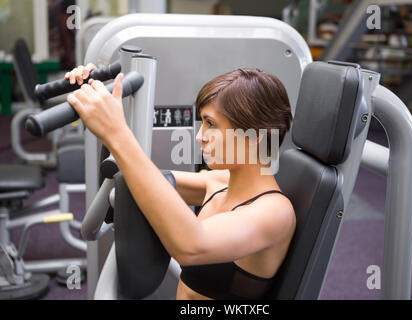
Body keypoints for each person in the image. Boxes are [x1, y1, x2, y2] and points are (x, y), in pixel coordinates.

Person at [65, 65, 296, 300]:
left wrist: (117, 133)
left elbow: (192, 246)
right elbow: (144, 180)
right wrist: (92, 97)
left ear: (255, 136)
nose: (199, 136)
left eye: (211, 124)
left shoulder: (275, 213)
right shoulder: (218, 182)